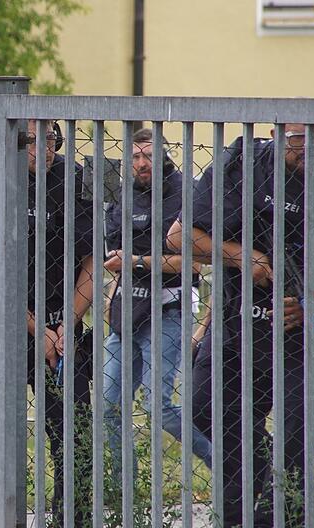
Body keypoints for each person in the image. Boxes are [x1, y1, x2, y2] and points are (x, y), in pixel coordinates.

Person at [168, 123, 314, 528]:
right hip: (240, 325)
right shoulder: (240, 164)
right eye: (299, 137)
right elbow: (181, 236)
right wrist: (241, 255)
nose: (310, 147)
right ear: (277, 135)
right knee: (208, 407)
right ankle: (262, 490)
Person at [0, 120, 96, 528]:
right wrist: (36, 330)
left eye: (51, 138)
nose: (43, 148)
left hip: (61, 326)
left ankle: (72, 526)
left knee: (73, 427)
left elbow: (94, 260)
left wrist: (66, 324)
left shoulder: (75, 182)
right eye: (31, 140)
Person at [101, 128, 214, 482]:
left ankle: (225, 465)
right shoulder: (124, 195)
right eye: (134, 157)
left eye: (148, 155)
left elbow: (193, 264)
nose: (141, 163)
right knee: (107, 407)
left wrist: (136, 262)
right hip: (127, 313)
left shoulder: (186, 192)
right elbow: (111, 258)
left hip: (168, 311)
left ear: (165, 155)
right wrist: (110, 301)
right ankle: (126, 489)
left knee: (158, 407)